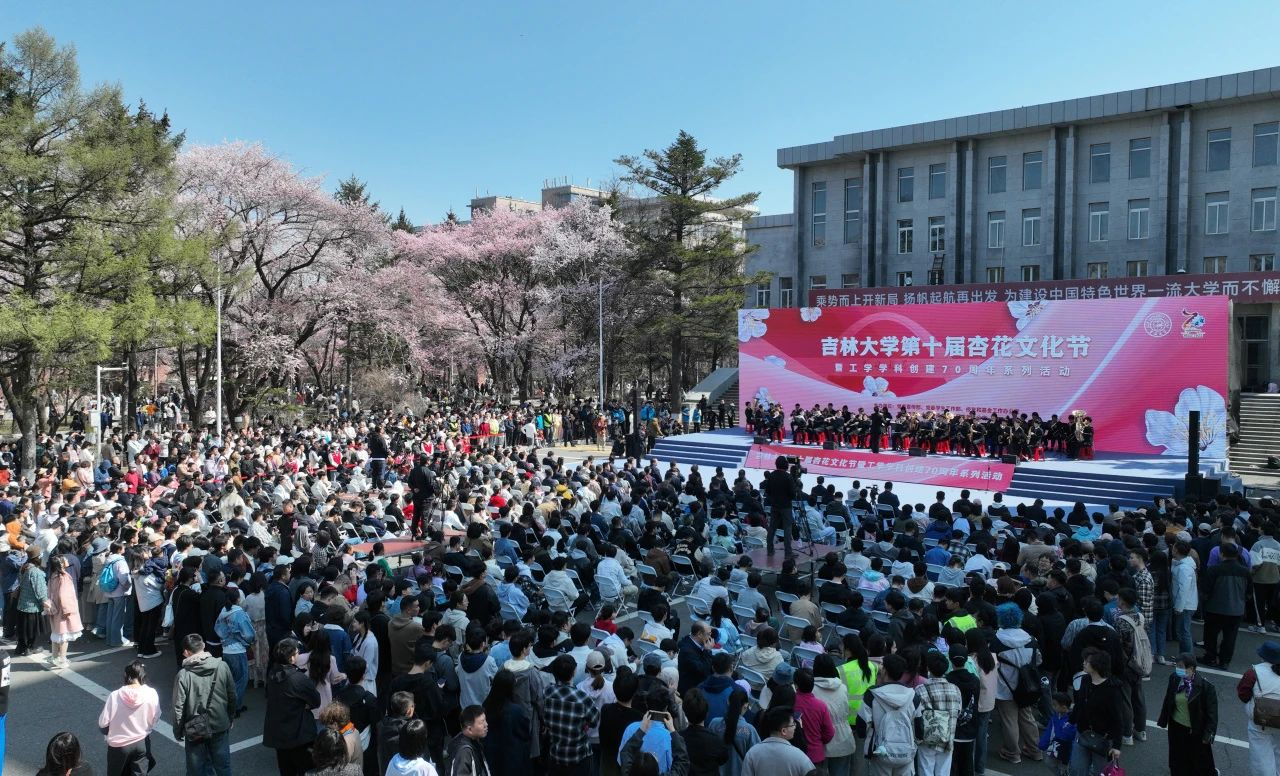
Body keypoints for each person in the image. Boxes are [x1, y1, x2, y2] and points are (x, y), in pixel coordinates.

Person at [172, 633, 236, 776]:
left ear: (186, 652)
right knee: (223, 766)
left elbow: (178, 707)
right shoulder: (222, 666)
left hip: (195, 728)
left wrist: (178, 730)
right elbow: (232, 695)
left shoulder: (183, 675)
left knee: (196, 769)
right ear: (204, 646)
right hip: (220, 723)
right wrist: (230, 718)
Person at [264, 638, 323, 776]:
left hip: (279, 733)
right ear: (291, 658)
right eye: (297, 652)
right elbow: (316, 700)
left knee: (286, 770)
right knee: (306, 770)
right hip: (299, 734)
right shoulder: (297, 678)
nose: (298, 654)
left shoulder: (272, 674)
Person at [991, 602, 1041, 764]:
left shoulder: (996, 640)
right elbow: (1038, 660)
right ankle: (1035, 750)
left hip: (1005, 687)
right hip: (1027, 686)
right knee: (1027, 717)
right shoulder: (1031, 639)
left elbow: (992, 664)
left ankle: (1012, 752)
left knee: (1009, 720)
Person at [856, 654, 919, 776]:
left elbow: (862, 726)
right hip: (906, 753)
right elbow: (919, 728)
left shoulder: (872, 694)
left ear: (884, 670)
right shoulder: (913, 696)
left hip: (880, 751)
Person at [1155, 653, 1217, 776]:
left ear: (1191, 668)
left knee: (1198, 760)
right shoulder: (1175, 679)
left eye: (1181, 666)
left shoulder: (1206, 687)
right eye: (1176, 666)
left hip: (1195, 730)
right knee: (1177, 757)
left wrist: (1208, 734)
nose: (1177, 669)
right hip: (1176, 726)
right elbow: (1168, 700)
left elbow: (1212, 714)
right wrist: (1163, 719)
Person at [98, 661, 161, 776]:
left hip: (118, 746)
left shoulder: (115, 695)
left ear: (126, 676)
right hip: (142, 742)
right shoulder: (151, 693)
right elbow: (155, 718)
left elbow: (103, 723)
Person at [1068, 651, 1123, 776]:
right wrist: (1070, 721)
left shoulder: (1112, 690)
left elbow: (1117, 719)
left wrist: (1117, 746)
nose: (1083, 663)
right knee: (1077, 770)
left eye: (1087, 661)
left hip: (1102, 739)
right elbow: (1080, 704)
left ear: (1096, 665)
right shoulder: (1085, 680)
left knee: (1101, 772)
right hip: (1082, 733)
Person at [543, 653, 600, 775]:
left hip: (555, 754)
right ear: (574, 672)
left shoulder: (547, 692)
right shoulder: (582, 698)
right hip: (578, 757)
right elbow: (595, 721)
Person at [1201, 542, 1248, 668]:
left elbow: (1206, 590)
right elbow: (1249, 592)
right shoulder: (1244, 571)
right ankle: (1225, 661)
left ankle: (1210, 657)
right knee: (1230, 637)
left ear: (1222, 554)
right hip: (1236, 609)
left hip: (1215, 608)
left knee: (1211, 635)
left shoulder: (1214, 570)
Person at [1238, 640, 1280, 774]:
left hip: (1260, 722)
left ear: (1262, 656)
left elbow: (1243, 695)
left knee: (1261, 758)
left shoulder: (1253, 672)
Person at [214, 587, 255, 716]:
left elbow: (218, 629)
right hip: (238, 650)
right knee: (241, 680)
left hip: (226, 649)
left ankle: (231, 705)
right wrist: (248, 642)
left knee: (230, 680)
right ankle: (235, 707)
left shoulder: (223, 612)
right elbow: (249, 634)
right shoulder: (239, 613)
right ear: (237, 599)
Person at [740, 705, 816, 776]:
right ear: (784, 731)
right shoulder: (800, 757)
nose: (795, 727)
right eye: (793, 724)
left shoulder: (752, 753)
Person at [483, 669, 532, 776]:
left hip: (492, 756)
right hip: (513, 757)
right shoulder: (515, 710)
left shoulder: (486, 705)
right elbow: (525, 732)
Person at [707, 687, 759, 776]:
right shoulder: (750, 730)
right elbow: (757, 758)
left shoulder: (714, 724)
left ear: (728, 702)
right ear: (746, 706)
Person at [678, 688, 728, 776]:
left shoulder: (679, 739)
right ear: (706, 713)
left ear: (685, 712)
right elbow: (724, 758)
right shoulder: (715, 740)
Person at [45, 553, 82, 669]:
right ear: (61, 564)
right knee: (64, 636)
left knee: (56, 634)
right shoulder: (64, 577)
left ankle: (54, 657)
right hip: (63, 610)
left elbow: (49, 592)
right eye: (64, 560)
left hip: (54, 608)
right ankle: (62, 659)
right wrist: (67, 610)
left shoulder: (52, 576)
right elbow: (64, 595)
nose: (67, 560)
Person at [15, 545, 47, 657]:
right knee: (31, 630)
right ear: (38, 557)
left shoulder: (24, 567)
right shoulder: (36, 572)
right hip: (32, 606)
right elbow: (40, 591)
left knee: (23, 629)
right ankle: (30, 648)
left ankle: (20, 648)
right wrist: (45, 602)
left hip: (22, 604)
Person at [764, 457, 797, 558]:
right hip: (786, 506)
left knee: (772, 528)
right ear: (786, 465)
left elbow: (767, 492)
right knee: (787, 528)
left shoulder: (771, 475)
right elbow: (793, 494)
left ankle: (770, 550)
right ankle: (788, 553)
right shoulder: (788, 477)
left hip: (774, 505)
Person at [444, 704, 490, 776]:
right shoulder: (464, 752)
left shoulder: (474, 740)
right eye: (482, 722)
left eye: (485, 720)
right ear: (470, 729)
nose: (486, 725)